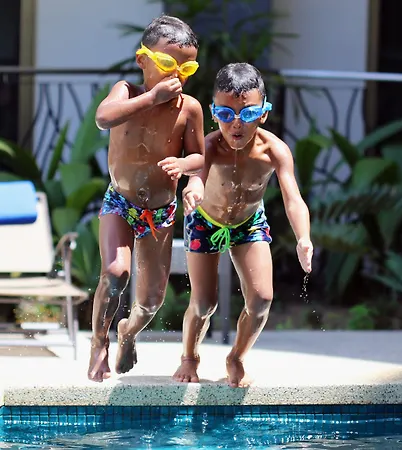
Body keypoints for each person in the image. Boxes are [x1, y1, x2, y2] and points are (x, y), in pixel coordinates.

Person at [173, 62, 314, 388]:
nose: (236, 123)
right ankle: (189, 357)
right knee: (204, 303)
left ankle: (236, 356)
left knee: (262, 299)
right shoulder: (210, 147)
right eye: (226, 114)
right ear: (213, 113)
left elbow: (293, 199)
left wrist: (303, 237)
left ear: (263, 113)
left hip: (248, 223)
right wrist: (193, 188)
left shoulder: (274, 151)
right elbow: (197, 176)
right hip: (205, 221)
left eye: (247, 114)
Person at [88, 15, 205, 382]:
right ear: (143, 60)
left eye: (187, 67)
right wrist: (152, 98)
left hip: (160, 210)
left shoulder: (189, 109)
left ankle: (128, 331)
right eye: (168, 63)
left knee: (151, 301)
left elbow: (200, 158)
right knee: (115, 272)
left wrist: (189, 173)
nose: (177, 75)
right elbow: (103, 118)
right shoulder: (126, 91)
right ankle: (99, 343)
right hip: (121, 202)